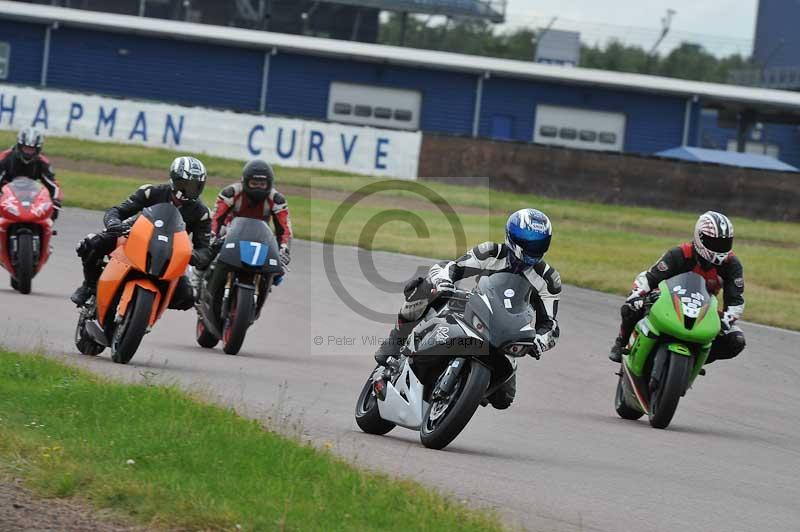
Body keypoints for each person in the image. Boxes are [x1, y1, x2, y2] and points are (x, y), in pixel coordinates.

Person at [373, 208, 561, 410]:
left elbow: (549, 324)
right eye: (529, 244)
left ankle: (462, 392)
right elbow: (453, 268)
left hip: (508, 330)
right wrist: (444, 281)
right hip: (475, 308)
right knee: (426, 287)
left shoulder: (548, 279)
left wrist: (540, 341)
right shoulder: (491, 252)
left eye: (539, 245)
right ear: (512, 237)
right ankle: (395, 340)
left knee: (503, 399)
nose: (533, 250)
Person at [69, 156, 212, 308]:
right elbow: (117, 211)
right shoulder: (151, 192)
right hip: (135, 236)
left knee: (188, 298)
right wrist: (114, 224)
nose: (191, 190)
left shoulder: (202, 213)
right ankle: (89, 285)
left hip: (170, 254)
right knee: (91, 244)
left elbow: (204, 249)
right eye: (187, 185)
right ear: (175, 181)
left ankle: (150, 307)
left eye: (197, 186)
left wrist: (192, 255)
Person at [609, 211, 745, 365]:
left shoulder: (731, 265)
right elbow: (649, 278)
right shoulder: (680, 254)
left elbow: (736, 302)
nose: (720, 249)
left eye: (724, 243)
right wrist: (636, 296)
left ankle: (693, 361)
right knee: (631, 307)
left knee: (736, 340)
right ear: (699, 238)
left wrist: (726, 319)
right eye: (714, 243)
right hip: (665, 302)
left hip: (704, 311)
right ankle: (621, 343)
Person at [208, 159, 292, 268]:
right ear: (245, 182)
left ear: (269, 184)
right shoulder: (231, 192)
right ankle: (197, 279)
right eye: (254, 183)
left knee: (278, 269)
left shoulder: (277, 200)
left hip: (261, 237)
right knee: (209, 252)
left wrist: (284, 249)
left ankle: (266, 283)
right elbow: (216, 217)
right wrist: (213, 236)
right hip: (230, 233)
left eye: (262, 184)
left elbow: (284, 229)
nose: (258, 188)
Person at [0, 127, 62, 219]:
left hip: (30, 196)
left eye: (32, 149)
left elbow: (52, 184)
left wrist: (56, 199)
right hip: (6, 195)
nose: (28, 152)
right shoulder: (5, 157)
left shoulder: (42, 162)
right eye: (26, 148)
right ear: (19, 146)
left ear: (38, 150)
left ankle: (45, 231)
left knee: (53, 210)